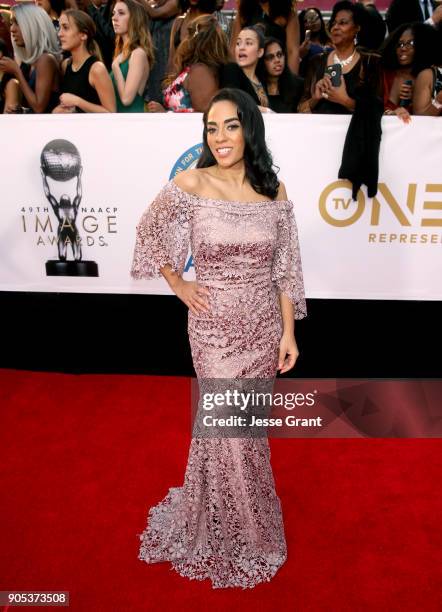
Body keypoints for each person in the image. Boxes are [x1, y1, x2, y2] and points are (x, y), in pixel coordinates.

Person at [131, 86, 306, 589]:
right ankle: (248, 535)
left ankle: (221, 512)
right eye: (212, 127)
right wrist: (179, 283)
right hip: (211, 329)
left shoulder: (274, 189)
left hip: (262, 327)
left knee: (241, 431)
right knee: (227, 427)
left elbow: (285, 268)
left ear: (249, 128)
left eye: (231, 125)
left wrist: (288, 332)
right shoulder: (192, 181)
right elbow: (148, 233)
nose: (221, 137)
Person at [297, 1, 380, 115]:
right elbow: (300, 109)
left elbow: (377, 111)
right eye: (334, 23)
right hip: (320, 130)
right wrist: (315, 98)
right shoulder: (317, 61)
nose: (335, 27)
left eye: (343, 23)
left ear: (357, 28)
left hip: (354, 132)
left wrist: (344, 100)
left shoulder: (369, 62)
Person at [147, 14, 228, 112]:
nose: (185, 39)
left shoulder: (200, 72)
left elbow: (203, 116)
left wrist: (165, 114)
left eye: (189, 33)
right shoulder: (192, 68)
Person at [0, 3, 60, 113]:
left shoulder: (45, 59)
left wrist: (17, 72)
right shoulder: (30, 62)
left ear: (32, 25)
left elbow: (39, 107)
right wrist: (22, 111)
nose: (12, 29)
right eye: (11, 23)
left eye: (18, 23)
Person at [53, 9, 116, 113]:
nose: (60, 34)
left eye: (66, 28)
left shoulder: (96, 69)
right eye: (60, 28)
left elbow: (110, 112)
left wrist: (77, 101)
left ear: (83, 35)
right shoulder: (65, 65)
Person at [380, 22, 439, 123]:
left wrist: (415, 100)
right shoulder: (382, 74)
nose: (403, 48)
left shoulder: (430, 78)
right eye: (400, 44)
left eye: (411, 43)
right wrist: (390, 113)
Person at [230, 0, 300, 74]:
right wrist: (233, 79)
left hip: (277, 74)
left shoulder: (288, 13)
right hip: (249, 75)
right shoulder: (244, 11)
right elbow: (233, 49)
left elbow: (292, 51)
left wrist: (292, 81)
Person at [110, 0, 154, 112]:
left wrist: (115, 67)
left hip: (132, 121)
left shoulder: (138, 53)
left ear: (135, 19)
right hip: (119, 120)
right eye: (113, 13)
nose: (114, 18)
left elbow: (126, 99)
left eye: (121, 13)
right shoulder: (121, 54)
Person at [221, 25, 270, 110]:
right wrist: (266, 111)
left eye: (248, 43)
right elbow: (232, 102)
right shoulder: (231, 70)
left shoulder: (262, 78)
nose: (241, 48)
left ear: (260, 52)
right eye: (238, 43)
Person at [168, 0, 217, 72]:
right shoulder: (178, 22)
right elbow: (171, 58)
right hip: (177, 78)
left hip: (200, 78)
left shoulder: (210, 23)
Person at [262, 36, 304, 113]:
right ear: (262, 62)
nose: (277, 60)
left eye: (279, 55)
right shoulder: (256, 87)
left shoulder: (299, 85)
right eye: (270, 57)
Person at [298, 7, 333, 77]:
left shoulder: (330, 40)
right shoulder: (303, 45)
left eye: (316, 18)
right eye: (307, 20)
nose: (314, 22)